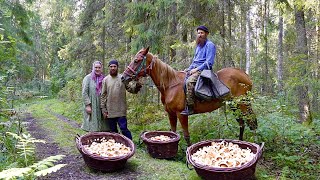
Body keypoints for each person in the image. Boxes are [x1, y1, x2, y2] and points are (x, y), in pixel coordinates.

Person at [181, 25, 216, 116]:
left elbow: (209, 62)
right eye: (198, 33)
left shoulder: (210, 45)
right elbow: (194, 61)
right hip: (195, 69)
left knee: (189, 81)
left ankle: (191, 107)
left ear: (206, 34)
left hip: (204, 70)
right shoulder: (198, 46)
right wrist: (189, 69)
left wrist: (196, 69)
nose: (200, 35)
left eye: (202, 33)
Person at [100, 59, 132, 140]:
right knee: (113, 131)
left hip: (121, 109)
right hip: (110, 110)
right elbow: (103, 95)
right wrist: (103, 109)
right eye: (111, 66)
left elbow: (130, 89)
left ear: (117, 67)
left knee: (124, 129)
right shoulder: (105, 80)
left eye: (114, 66)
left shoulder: (122, 78)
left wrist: (137, 85)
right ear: (109, 68)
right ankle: (117, 144)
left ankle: (130, 143)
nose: (113, 68)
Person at [81, 61, 110, 131]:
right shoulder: (87, 78)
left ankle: (101, 135)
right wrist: (87, 105)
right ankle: (92, 136)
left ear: (101, 68)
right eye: (96, 67)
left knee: (103, 122)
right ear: (93, 68)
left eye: (99, 67)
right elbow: (84, 92)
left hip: (101, 103)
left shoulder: (104, 78)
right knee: (92, 121)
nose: (97, 69)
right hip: (92, 103)